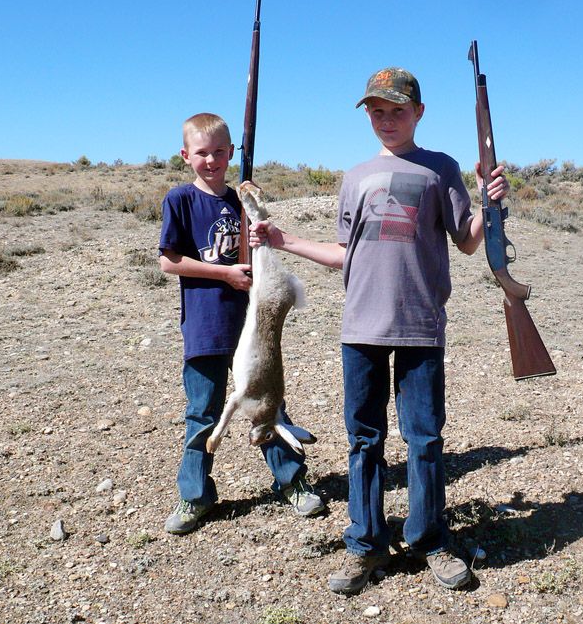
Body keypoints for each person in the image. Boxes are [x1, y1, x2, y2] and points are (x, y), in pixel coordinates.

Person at [249, 69, 509, 592]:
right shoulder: (356, 176)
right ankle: (365, 544)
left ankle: (430, 540)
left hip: (421, 327)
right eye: (376, 111)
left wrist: (488, 201)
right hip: (361, 329)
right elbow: (345, 253)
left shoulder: (441, 169)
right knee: (363, 440)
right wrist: (284, 239)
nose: (386, 120)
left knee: (425, 439)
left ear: (419, 112)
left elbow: (467, 242)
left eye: (397, 110)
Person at [158, 112, 325, 535]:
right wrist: (226, 273)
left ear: (232, 152)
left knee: (269, 406)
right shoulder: (180, 200)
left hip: (252, 328)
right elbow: (168, 261)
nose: (211, 160)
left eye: (219, 152)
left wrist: (261, 235)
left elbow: (268, 245)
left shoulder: (241, 201)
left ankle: (292, 482)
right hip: (205, 326)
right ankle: (194, 497)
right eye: (202, 153)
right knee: (202, 413)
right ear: (185, 155)